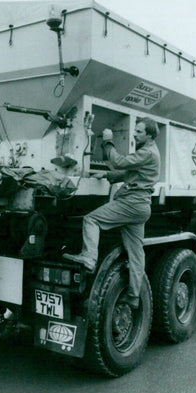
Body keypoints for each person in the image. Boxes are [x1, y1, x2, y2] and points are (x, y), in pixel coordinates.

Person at [63, 117, 160, 309]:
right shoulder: (150, 152)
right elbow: (129, 174)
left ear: (149, 135)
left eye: (139, 131)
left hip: (131, 203)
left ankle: (89, 258)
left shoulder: (148, 152)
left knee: (91, 220)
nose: (134, 133)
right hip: (141, 206)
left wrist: (108, 141)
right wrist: (107, 175)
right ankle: (133, 297)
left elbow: (119, 162)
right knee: (136, 253)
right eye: (136, 130)